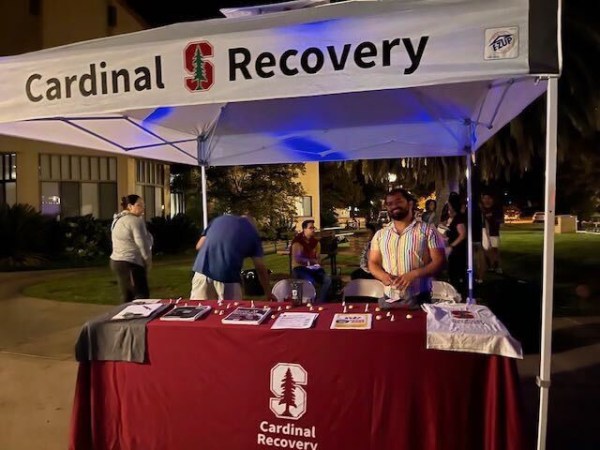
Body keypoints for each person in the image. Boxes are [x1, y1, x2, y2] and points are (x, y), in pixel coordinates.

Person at [368, 188, 446, 306]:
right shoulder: (380, 234)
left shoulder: (428, 231)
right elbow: (373, 262)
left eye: (398, 201)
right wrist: (383, 276)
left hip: (419, 298)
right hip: (389, 298)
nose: (394, 206)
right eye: (389, 204)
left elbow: (439, 261)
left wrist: (414, 274)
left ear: (410, 203)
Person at [191, 214, 271, 301]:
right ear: (253, 224)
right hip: (227, 277)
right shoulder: (252, 233)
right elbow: (260, 268)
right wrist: (268, 293)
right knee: (231, 311)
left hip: (201, 272)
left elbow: (199, 246)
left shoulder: (218, 220)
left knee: (199, 309)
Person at [110, 194, 153, 302]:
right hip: (130, 262)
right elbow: (142, 244)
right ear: (130, 206)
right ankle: (137, 318)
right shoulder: (135, 221)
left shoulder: (118, 219)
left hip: (117, 261)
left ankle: (125, 317)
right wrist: (147, 261)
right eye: (139, 205)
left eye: (143, 205)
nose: (143, 207)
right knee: (140, 296)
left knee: (127, 295)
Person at [291, 219, 332, 302]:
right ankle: (309, 301)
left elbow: (318, 258)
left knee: (327, 280)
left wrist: (317, 263)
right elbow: (297, 259)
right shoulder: (297, 242)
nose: (313, 230)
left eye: (314, 228)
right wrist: (312, 261)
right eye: (311, 228)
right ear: (304, 229)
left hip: (313, 268)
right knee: (310, 281)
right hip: (299, 267)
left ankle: (320, 302)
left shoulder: (316, 243)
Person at [445, 194, 468, 294]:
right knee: (453, 271)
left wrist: (451, 246)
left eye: (449, 205)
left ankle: (459, 291)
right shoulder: (454, 218)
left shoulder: (459, 218)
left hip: (458, 250)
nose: (448, 207)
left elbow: (462, 234)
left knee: (457, 271)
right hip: (454, 248)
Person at [481, 192, 504, 273]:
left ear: (492, 199)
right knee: (485, 250)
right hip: (484, 233)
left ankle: (497, 266)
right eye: (485, 198)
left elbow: (500, 220)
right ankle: (489, 265)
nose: (487, 200)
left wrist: (493, 219)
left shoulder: (496, 209)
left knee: (494, 250)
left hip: (494, 233)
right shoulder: (482, 210)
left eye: (488, 198)